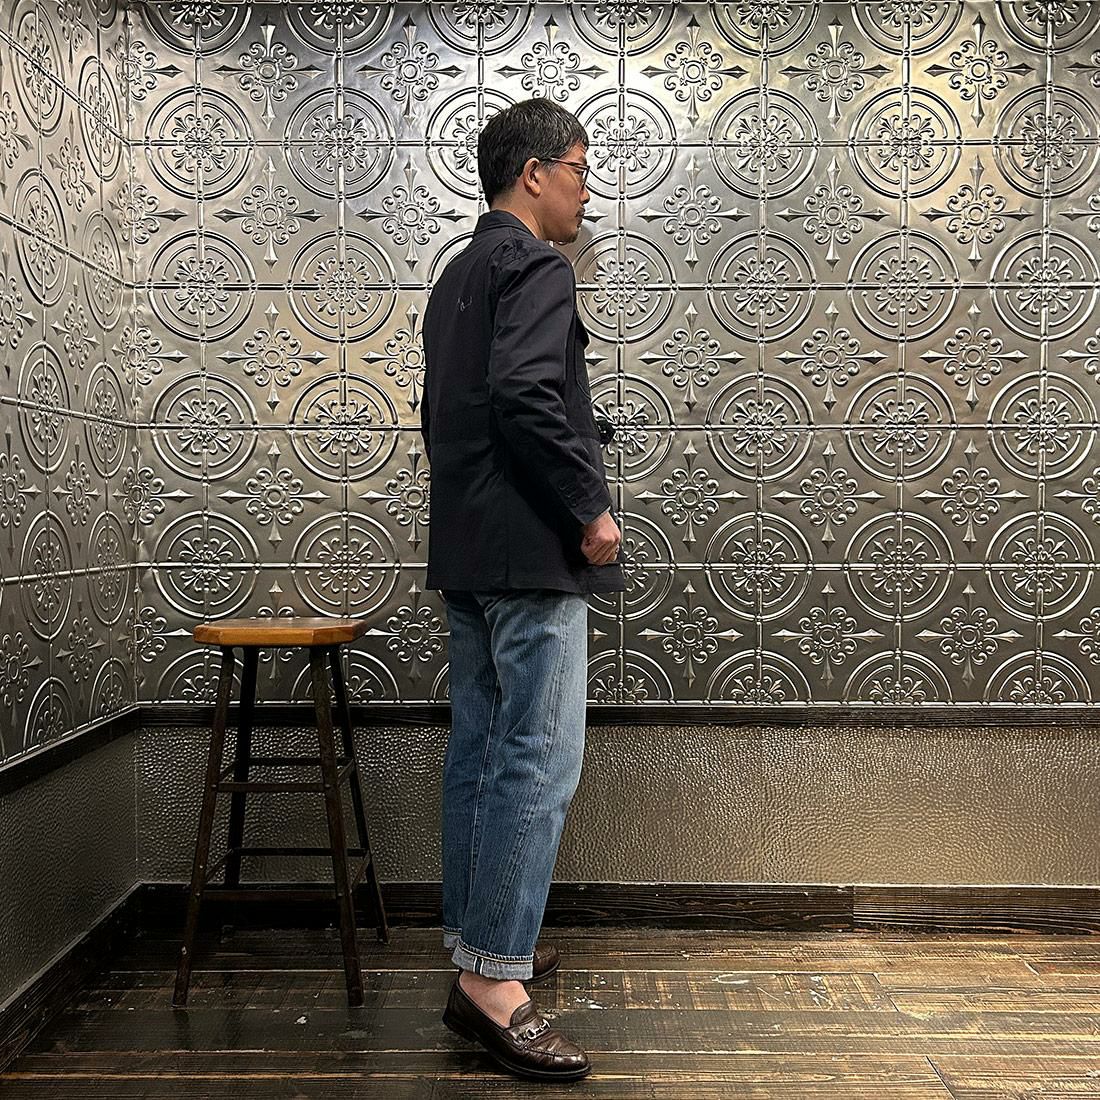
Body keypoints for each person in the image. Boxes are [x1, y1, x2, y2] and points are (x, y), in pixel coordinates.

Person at [420, 98, 625, 1082]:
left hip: (466, 550)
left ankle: (479, 947)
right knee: (537, 762)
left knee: (481, 753)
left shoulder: (457, 275)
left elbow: (444, 413)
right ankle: (494, 984)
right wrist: (589, 505)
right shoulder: (537, 266)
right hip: (529, 551)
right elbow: (525, 394)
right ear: (533, 174)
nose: (586, 191)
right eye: (579, 170)